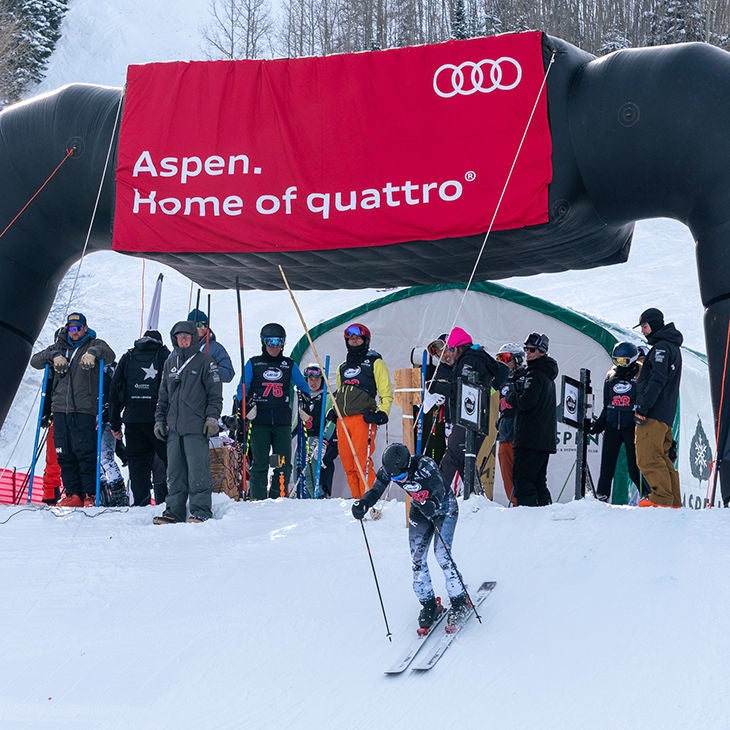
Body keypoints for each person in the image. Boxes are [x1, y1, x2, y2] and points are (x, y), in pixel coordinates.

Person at [351, 443, 468, 631]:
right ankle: (429, 603)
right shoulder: (389, 471)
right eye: (394, 478)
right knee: (417, 559)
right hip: (420, 511)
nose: (398, 480)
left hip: (444, 509)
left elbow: (439, 487)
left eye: (400, 476)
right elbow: (376, 491)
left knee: (442, 555)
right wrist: (363, 504)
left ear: (407, 465)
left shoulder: (425, 465)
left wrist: (433, 502)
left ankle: (459, 600)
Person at [30, 313, 115, 507]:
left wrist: (93, 352)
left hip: (84, 409)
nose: (74, 332)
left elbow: (109, 355)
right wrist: (53, 355)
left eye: (78, 328)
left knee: (84, 452)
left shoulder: (94, 343)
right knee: (64, 453)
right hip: (60, 409)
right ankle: (73, 494)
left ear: (85, 328)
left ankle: (90, 494)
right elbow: (35, 361)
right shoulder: (59, 347)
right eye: (71, 328)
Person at [153, 321, 223, 524]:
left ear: (193, 337)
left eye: (186, 336)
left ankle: (201, 510)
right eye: (179, 337)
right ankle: (173, 511)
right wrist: (159, 420)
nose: (183, 340)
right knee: (174, 473)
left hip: (196, 427)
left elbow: (215, 395)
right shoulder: (170, 362)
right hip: (174, 429)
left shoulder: (206, 362)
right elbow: (163, 395)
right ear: (174, 339)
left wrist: (212, 418)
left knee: (198, 471)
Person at [241, 323, 310, 500]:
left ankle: (277, 498)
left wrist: (304, 402)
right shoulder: (254, 363)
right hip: (259, 421)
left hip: (281, 422)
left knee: (283, 464)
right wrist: (246, 403)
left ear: (283, 343)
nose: (274, 346)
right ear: (263, 342)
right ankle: (257, 499)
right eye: (270, 341)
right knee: (260, 463)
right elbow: (242, 387)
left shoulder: (288, 364)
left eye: (278, 341)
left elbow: (303, 386)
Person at [439, 327, 508, 494]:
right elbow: (503, 369)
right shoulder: (478, 356)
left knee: (451, 459)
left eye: (450, 349)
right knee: (465, 461)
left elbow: (461, 388)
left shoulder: (469, 360)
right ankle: (477, 496)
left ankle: (436, 497)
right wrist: (491, 389)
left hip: (468, 419)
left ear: (457, 347)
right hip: (476, 420)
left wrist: (438, 387)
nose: (448, 353)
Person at [110, 329, 170, 506]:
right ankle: (167, 504)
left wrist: (115, 423)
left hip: (132, 420)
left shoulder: (129, 356)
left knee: (137, 466)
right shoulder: (165, 355)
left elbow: (115, 389)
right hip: (159, 421)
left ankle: (141, 506)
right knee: (167, 463)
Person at [332, 323, 393, 499]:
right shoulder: (342, 367)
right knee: (347, 463)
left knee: (362, 462)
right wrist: (334, 410)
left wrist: (383, 412)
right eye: (351, 338)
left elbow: (385, 391)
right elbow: (340, 392)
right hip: (343, 420)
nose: (354, 340)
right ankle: (357, 499)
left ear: (365, 340)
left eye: (358, 337)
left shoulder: (374, 361)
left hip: (363, 418)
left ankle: (369, 498)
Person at [633, 308, 683, 508]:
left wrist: (643, 407)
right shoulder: (672, 347)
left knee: (647, 457)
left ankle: (661, 500)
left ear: (653, 324)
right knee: (662, 457)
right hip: (665, 415)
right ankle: (673, 501)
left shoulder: (661, 348)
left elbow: (658, 379)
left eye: (645, 326)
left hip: (653, 413)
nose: (643, 331)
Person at [508, 332, 558, 506]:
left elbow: (527, 402)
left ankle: (527, 519)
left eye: (532, 350)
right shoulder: (546, 373)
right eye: (526, 349)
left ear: (542, 352)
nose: (528, 353)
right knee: (538, 481)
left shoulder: (535, 373)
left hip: (530, 438)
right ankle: (544, 515)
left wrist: (512, 396)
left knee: (523, 480)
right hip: (542, 438)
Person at [590, 341, 644, 503]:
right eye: (617, 360)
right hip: (613, 426)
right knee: (606, 467)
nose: (620, 364)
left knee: (634, 468)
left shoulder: (641, 374)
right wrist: (599, 424)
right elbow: (607, 404)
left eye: (624, 361)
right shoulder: (611, 376)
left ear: (633, 359)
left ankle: (648, 495)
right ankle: (602, 497)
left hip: (631, 426)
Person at [296, 363, 337, 498]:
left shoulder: (328, 397)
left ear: (322, 380)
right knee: (301, 468)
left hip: (320, 439)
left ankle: (320, 496)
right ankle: (304, 497)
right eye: (310, 379)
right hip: (304, 439)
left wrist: (324, 439)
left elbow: (331, 422)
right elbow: (296, 423)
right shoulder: (303, 397)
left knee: (315, 468)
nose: (313, 382)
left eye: (316, 379)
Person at [495, 343, 527, 506]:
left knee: (521, 474)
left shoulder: (526, 378)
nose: (502, 362)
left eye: (506, 358)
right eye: (499, 358)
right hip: (505, 432)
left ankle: (524, 504)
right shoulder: (501, 380)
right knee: (506, 473)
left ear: (517, 359)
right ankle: (514, 504)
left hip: (519, 434)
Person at [187, 308, 235, 383]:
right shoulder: (181, 347)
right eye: (199, 324)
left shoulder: (215, 348)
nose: (203, 328)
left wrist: (209, 369)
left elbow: (229, 374)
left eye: (205, 325)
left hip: (206, 393)